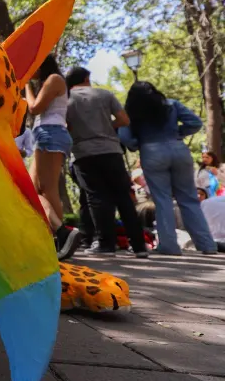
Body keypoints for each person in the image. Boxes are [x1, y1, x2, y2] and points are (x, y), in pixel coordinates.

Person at [119, 81, 217, 255]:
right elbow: (194, 123)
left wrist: (138, 145)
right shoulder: (171, 104)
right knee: (189, 199)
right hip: (179, 149)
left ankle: (169, 246)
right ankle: (207, 245)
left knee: (162, 199)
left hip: (151, 152)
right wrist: (178, 133)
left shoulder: (132, 112)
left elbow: (126, 138)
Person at [65, 66, 148, 257]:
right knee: (123, 196)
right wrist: (106, 127)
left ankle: (106, 244)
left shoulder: (66, 100)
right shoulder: (104, 94)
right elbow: (124, 120)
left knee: (96, 197)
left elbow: (66, 127)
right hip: (111, 150)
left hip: (83, 153)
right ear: (87, 77)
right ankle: (139, 246)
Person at [25, 54, 80, 259]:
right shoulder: (51, 81)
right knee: (32, 190)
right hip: (46, 133)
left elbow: (34, 108)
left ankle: (61, 235)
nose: (31, 70)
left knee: (47, 190)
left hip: (51, 133)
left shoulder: (54, 79)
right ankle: (57, 234)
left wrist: (26, 87)